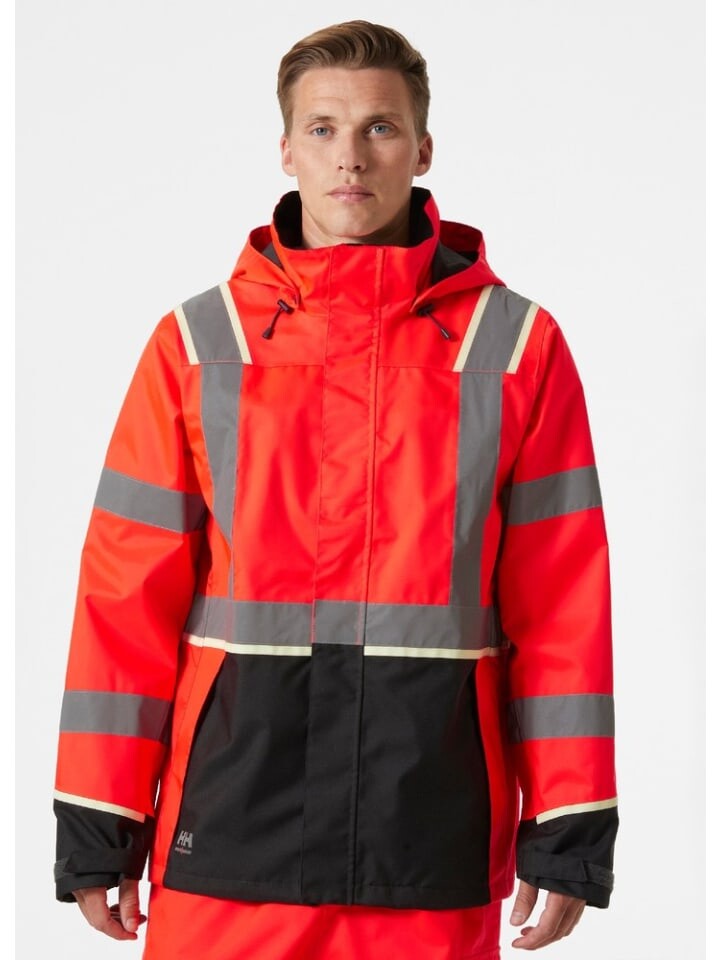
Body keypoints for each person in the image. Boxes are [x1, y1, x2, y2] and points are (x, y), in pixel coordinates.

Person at [53, 20, 618, 960]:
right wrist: (98, 817)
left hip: (428, 830)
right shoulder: (199, 344)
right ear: (286, 149)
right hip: (228, 828)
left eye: (379, 128)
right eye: (322, 129)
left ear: (423, 148)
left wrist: (569, 823)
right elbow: (123, 598)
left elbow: (563, 606)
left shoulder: (517, 348)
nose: (349, 156)